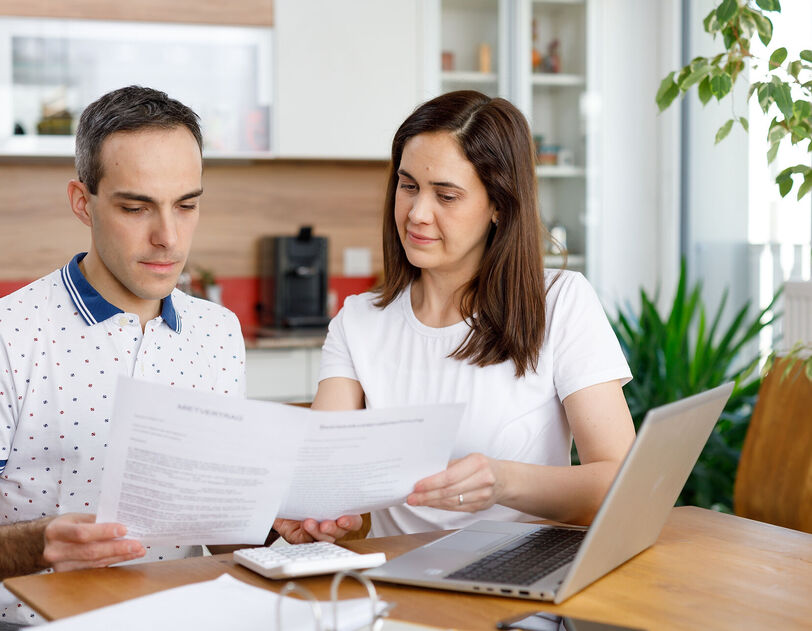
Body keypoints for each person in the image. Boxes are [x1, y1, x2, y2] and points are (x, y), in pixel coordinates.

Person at [0, 86, 359, 626]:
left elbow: (217, 531)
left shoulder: (218, 332)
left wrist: (277, 527)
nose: (167, 237)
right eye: (135, 207)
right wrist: (38, 543)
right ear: (82, 202)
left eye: (186, 205)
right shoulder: (13, 333)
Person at [313, 90, 636, 537]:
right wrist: (317, 517)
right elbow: (323, 481)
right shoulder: (358, 320)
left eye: (446, 196)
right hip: (393, 591)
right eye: (408, 186)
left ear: (499, 206)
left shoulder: (560, 303)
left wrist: (505, 482)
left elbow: (623, 486)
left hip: (514, 590)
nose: (417, 214)